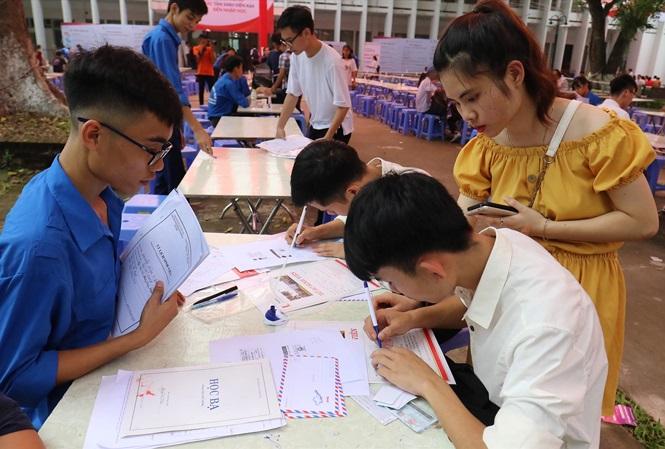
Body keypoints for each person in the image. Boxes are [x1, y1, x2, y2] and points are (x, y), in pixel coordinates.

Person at [435, 0, 657, 416]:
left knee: (558, 414)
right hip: (509, 286)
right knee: (501, 403)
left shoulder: (596, 131)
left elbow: (642, 221)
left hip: (579, 291)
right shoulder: (487, 144)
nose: (466, 115)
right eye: (456, 103)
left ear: (514, 74)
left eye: (472, 97)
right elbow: (463, 218)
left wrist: (544, 228)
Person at [344, 172, 608, 448]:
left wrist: (427, 382)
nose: (394, 290)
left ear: (434, 271)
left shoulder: (544, 329)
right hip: (496, 403)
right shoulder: (493, 247)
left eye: (392, 281)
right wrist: (414, 316)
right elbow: (480, 302)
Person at [0, 46, 185, 428]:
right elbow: (14, 377)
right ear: (94, 134)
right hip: (73, 412)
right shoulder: (39, 248)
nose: (158, 166)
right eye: (152, 150)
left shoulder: (99, 196)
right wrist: (136, 337)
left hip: (113, 372)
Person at [285, 140, 428, 258]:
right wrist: (316, 232)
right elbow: (356, 220)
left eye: (330, 210)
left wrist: (355, 252)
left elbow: (408, 253)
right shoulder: (364, 181)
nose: (330, 214)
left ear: (352, 192)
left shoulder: (413, 196)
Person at [142, 0, 213, 195]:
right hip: (159, 118)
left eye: (196, 21)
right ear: (174, 8)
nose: (192, 25)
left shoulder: (163, 37)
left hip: (164, 118)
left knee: (164, 177)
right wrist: (197, 129)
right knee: (174, 180)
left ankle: (163, 210)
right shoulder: (162, 39)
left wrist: (177, 126)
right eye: (190, 17)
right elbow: (172, 89)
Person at [274, 5, 353, 143]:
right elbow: (292, 94)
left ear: (306, 32)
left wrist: (327, 138)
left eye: (290, 41)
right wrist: (280, 126)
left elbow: (343, 106)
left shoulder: (332, 61)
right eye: (284, 41)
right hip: (316, 121)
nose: (288, 46)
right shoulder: (297, 57)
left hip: (337, 127)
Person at [207, 55, 250, 125]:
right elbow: (245, 103)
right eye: (241, 68)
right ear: (236, 69)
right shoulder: (229, 84)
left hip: (215, 116)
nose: (242, 71)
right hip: (219, 119)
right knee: (249, 118)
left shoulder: (224, 79)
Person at [194, 31, 216, 106]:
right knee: (201, 89)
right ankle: (201, 104)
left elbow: (213, 61)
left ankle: (213, 104)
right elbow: (197, 60)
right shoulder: (196, 48)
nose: (204, 41)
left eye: (205, 40)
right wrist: (202, 48)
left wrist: (212, 49)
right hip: (200, 72)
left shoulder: (209, 49)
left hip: (210, 72)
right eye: (202, 40)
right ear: (200, 40)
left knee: (212, 89)